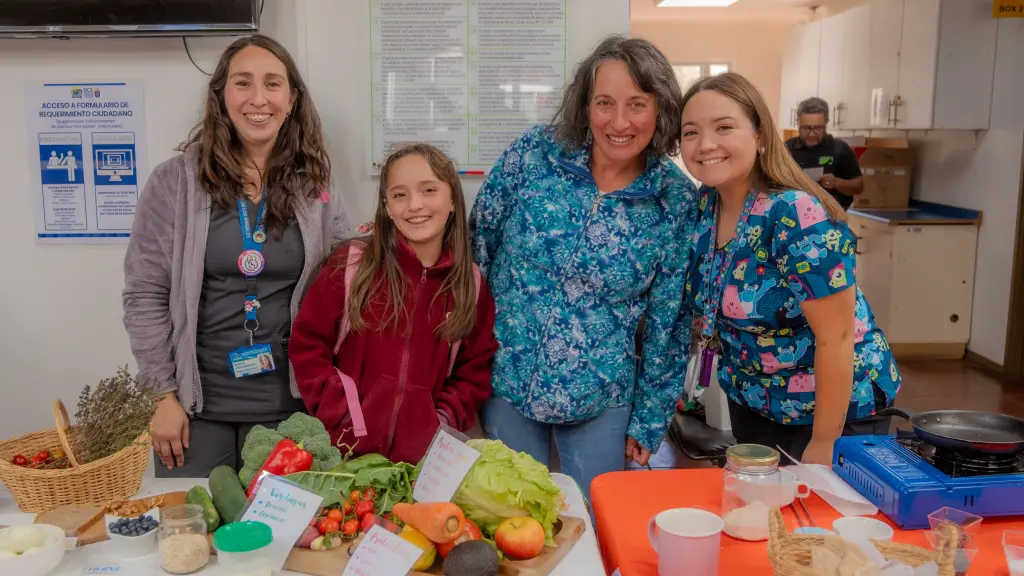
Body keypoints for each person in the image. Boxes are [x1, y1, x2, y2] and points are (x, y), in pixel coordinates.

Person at [469, 34, 697, 499]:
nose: (619, 122)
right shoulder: (535, 153)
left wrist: (651, 416)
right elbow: (479, 246)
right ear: (585, 106)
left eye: (637, 104)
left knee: (594, 519)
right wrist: (464, 362)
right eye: (604, 103)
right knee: (513, 516)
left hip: (601, 394)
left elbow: (669, 319)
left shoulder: (674, 199)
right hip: (506, 375)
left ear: (661, 110)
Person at [122, 35, 351, 478]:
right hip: (194, 409)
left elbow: (341, 281)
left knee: (280, 522)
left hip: (291, 406)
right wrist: (161, 396)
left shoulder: (315, 185)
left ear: (291, 99)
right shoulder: (175, 183)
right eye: (243, 83)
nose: (258, 99)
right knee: (193, 520)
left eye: (272, 84)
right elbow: (144, 295)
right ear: (222, 96)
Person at [679, 73, 899, 466]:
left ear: (761, 136)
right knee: (763, 503)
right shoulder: (705, 205)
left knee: (818, 506)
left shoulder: (794, 214)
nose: (705, 144)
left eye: (723, 127)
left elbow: (837, 336)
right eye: (691, 132)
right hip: (754, 401)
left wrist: (825, 442)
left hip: (832, 411)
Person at [290, 143, 498, 464]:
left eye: (429, 190)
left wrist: (439, 423)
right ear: (387, 207)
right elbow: (308, 347)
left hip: (420, 464)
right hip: (343, 457)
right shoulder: (351, 266)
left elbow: (473, 373)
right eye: (399, 195)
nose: (415, 205)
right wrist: (343, 415)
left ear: (453, 200)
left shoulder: (470, 285)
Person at [784, 97, 863, 211]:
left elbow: (859, 187)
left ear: (826, 123)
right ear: (798, 123)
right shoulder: (787, 148)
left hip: (832, 217)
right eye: (806, 128)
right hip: (794, 216)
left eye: (818, 128)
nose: (812, 134)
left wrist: (837, 183)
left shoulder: (840, 149)